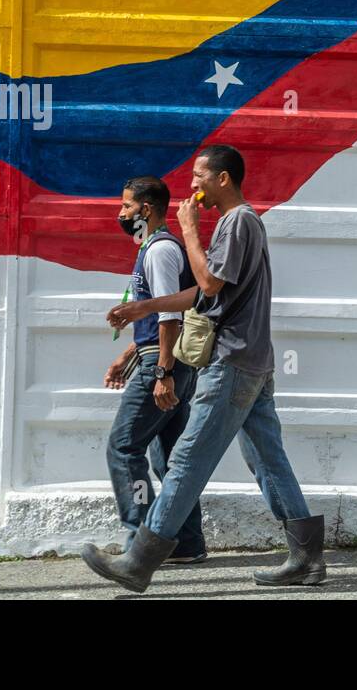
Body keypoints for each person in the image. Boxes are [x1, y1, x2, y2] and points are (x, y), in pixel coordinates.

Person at [82, 145, 325, 593]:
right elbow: (203, 295)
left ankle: (139, 561)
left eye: (199, 177)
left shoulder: (238, 222)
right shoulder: (239, 224)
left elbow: (209, 282)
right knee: (268, 460)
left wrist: (191, 232)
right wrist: (146, 308)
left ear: (224, 179)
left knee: (187, 461)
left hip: (232, 361)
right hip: (251, 361)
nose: (192, 186)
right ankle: (307, 560)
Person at [101, 176, 206, 564]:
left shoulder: (160, 250)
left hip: (163, 365)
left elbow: (170, 313)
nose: (121, 213)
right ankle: (187, 543)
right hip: (160, 360)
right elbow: (156, 315)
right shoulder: (153, 246)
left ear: (146, 209)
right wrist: (127, 355)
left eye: (127, 206)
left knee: (124, 447)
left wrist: (161, 374)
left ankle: (141, 544)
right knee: (169, 458)